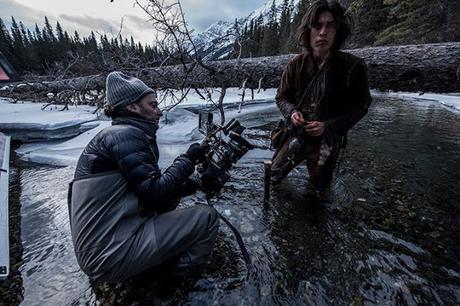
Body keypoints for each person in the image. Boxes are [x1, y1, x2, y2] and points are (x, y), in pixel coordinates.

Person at [68, 71, 219, 282]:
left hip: (101, 249)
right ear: (132, 107)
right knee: (207, 217)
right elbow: (154, 192)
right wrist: (188, 159)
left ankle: (151, 265)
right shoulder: (125, 135)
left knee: (169, 204)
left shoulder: (118, 134)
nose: (159, 111)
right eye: (153, 105)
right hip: (107, 257)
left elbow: (146, 193)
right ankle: (182, 282)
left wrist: (193, 185)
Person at [270, 0, 372, 195]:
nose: (323, 32)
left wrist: (329, 126)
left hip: (328, 140)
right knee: (272, 175)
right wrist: (292, 113)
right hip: (296, 134)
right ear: (308, 30)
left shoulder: (353, 67)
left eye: (330, 25)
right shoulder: (295, 65)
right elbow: (281, 97)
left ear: (337, 30)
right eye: (317, 25)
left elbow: (362, 105)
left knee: (318, 192)